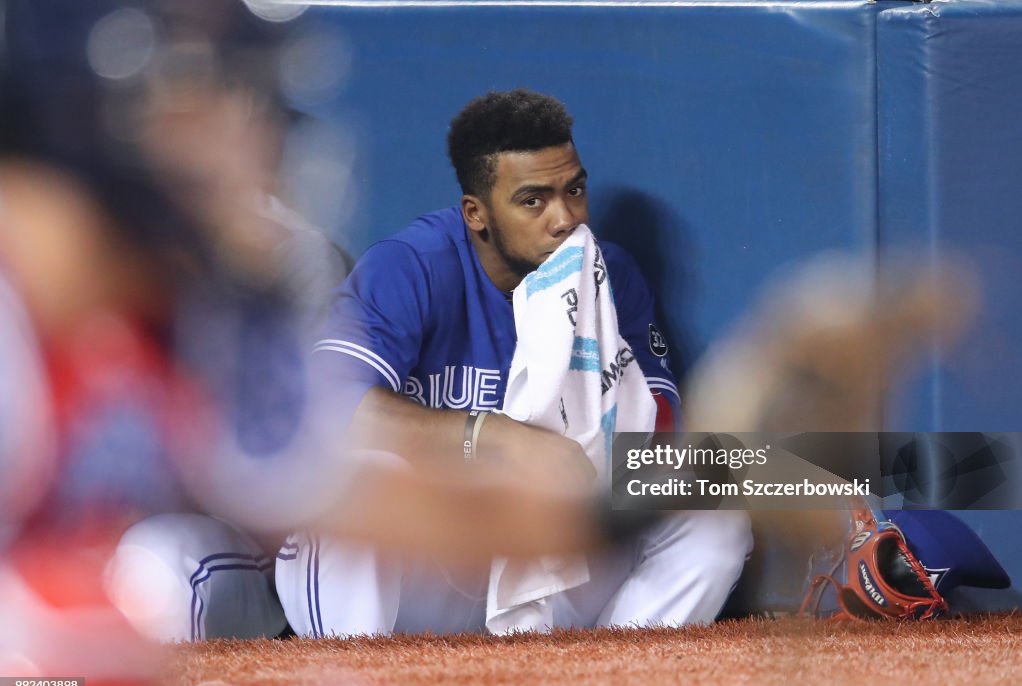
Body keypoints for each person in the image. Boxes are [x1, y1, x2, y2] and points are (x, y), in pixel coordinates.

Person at [276, 89, 753, 636]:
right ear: (476, 214)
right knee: (360, 474)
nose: (565, 218)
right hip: (429, 569)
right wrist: (493, 436)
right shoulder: (410, 266)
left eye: (574, 190)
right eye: (534, 200)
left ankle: (610, 684)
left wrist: (601, 461)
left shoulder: (611, 275)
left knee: (713, 501)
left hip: (550, 560)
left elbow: (661, 430)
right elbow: (326, 410)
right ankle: (355, 683)